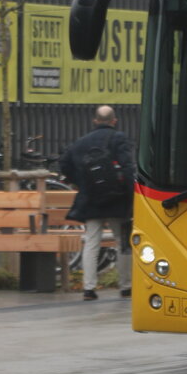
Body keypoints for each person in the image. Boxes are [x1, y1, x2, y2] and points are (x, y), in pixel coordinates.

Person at [60, 105, 134, 300]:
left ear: (95, 121)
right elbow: (128, 169)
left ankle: (89, 289)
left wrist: (81, 182)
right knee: (123, 242)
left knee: (92, 242)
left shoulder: (80, 142)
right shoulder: (119, 138)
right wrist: (131, 195)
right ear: (114, 121)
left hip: (91, 198)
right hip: (117, 199)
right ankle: (126, 286)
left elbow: (64, 164)